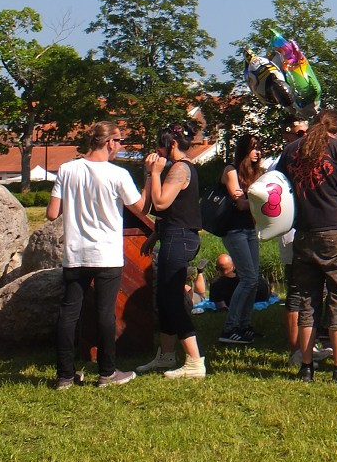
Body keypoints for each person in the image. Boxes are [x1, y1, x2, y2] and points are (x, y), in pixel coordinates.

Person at [48, 121, 149, 389]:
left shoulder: (67, 169)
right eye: (120, 142)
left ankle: (64, 376)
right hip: (106, 254)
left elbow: (51, 213)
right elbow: (141, 207)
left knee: (69, 313)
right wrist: (152, 176)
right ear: (109, 142)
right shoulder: (118, 174)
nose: (120, 147)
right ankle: (107, 373)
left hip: (75, 252)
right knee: (106, 314)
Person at [275, 109, 337, 383]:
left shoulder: (291, 151)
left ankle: (306, 367)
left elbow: (277, 189)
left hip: (303, 232)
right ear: (336, 131)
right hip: (335, 231)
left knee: (307, 300)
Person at [136, 122, 207, 379]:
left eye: (159, 145)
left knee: (172, 300)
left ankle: (195, 361)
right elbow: (155, 209)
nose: (156, 151)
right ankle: (166, 355)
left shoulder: (180, 169)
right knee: (165, 299)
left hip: (180, 239)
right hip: (172, 235)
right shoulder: (174, 168)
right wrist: (155, 235)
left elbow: (162, 201)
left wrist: (154, 173)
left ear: (172, 144)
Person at [217, 133, 264, 346]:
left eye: (259, 148)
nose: (258, 152)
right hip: (234, 230)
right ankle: (230, 328)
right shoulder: (231, 171)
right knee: (248, 278)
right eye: (253, 148)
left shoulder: (255, 174)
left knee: (254, 279)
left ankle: (244, 326)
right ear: (244, 150)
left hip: (249, 230)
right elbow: (241, 203)